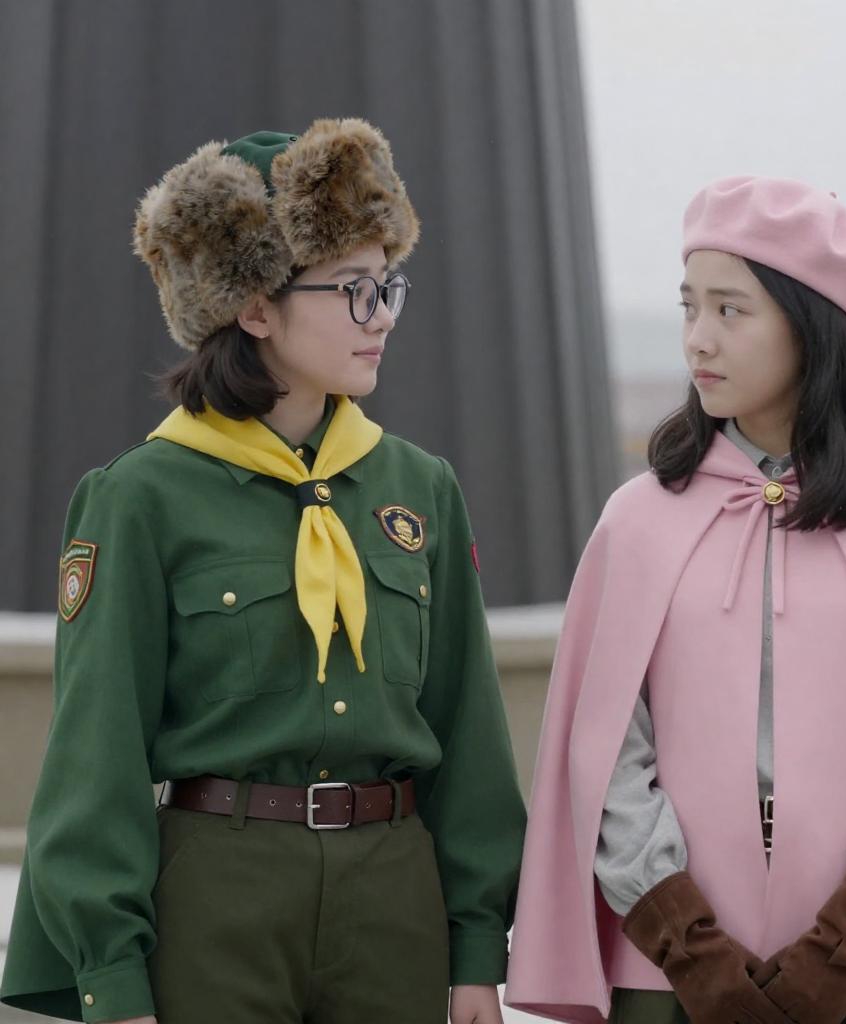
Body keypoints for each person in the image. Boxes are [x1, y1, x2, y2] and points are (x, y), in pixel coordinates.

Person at [1, 117, 525, 1024]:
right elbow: (96, 754)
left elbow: (469, 728)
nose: (382, 316)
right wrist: (112, 979)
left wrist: (478, 948)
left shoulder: (420, 489)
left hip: (394, 908)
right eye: (353, 290)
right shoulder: (141, 497)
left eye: (389, 286)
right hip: (216, 902)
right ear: (253, 308)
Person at [504, 176, 846, 1024]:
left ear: (810, 325)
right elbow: (603, 749)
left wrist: (842, 949)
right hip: (673, 977)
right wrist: (688, 945)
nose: (698, 339)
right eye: (688, 307)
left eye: (730, 310)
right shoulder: (638, 520)